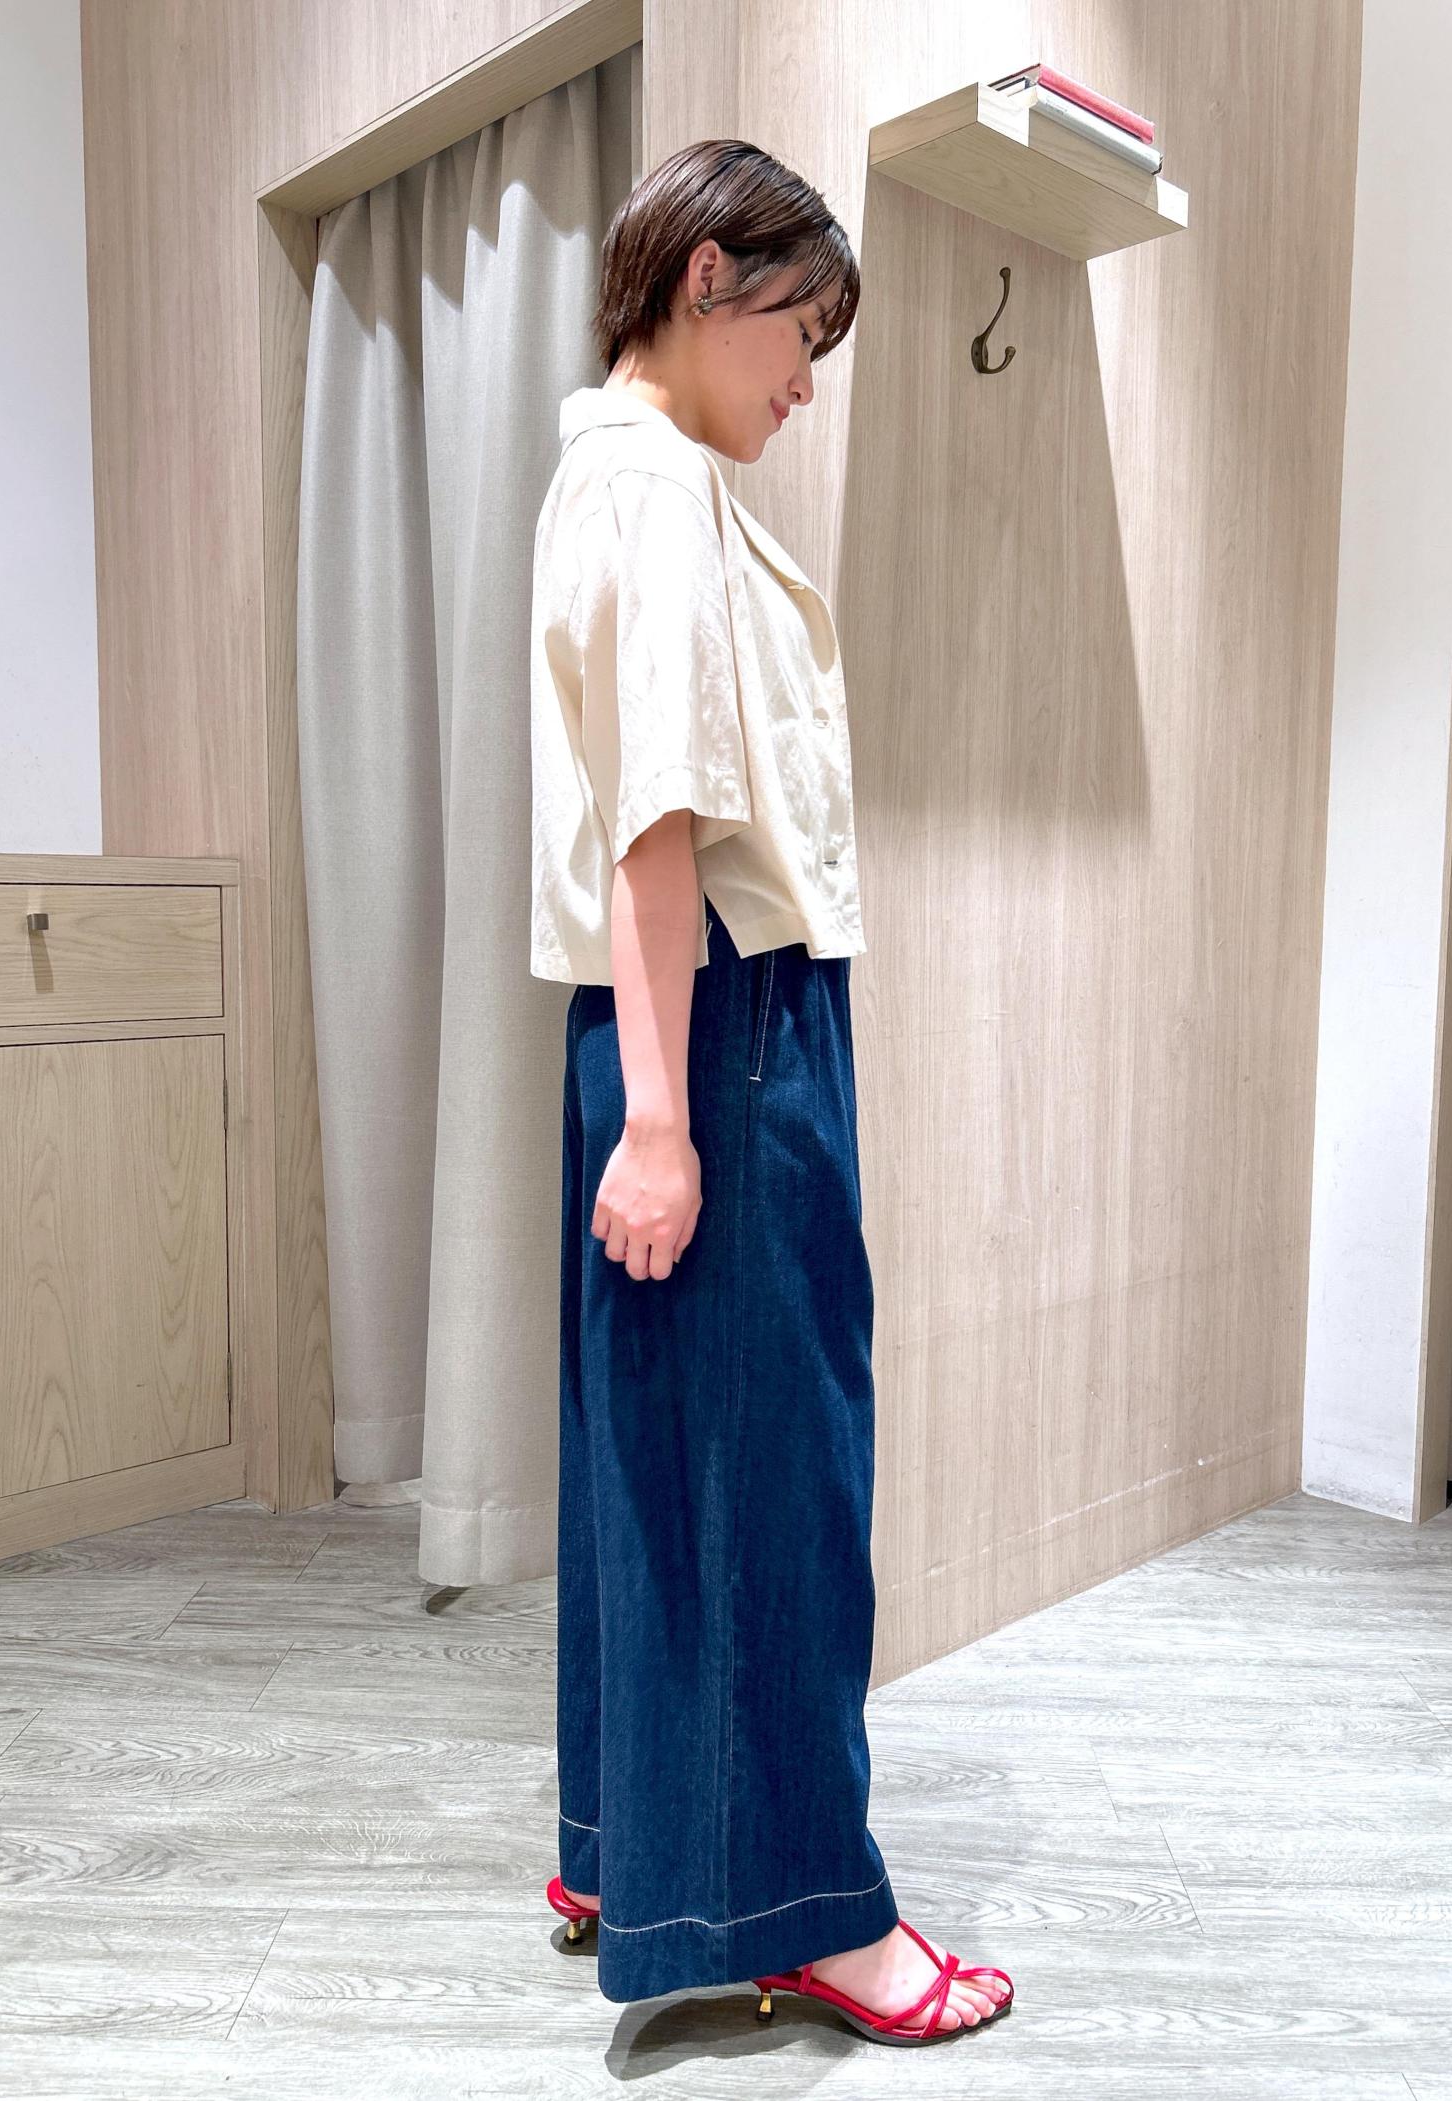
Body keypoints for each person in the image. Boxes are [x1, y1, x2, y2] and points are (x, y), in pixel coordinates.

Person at [529, 137, 1014, 2045]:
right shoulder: (654, 486)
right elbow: (659, 825)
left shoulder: (620, 471)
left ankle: (628, 1843)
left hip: (666, 1021)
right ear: (709, 277)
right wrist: (667, 1122)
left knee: (660, 1457)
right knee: (783, 1470)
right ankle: (817, 1916)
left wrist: (641, 1096)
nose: (808, 383)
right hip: (721, 1024)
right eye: (803, 333)